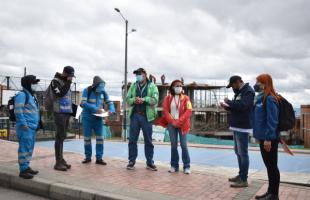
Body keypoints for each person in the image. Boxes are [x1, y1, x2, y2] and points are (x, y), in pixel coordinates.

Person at [221, 75, 255, 188]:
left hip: (243, 126)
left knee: (243, 153)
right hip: (236, 126)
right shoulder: (240, 92)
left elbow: (244, 106)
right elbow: (237, 107)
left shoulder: (248, 91)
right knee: (237, 152)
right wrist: (227, 107)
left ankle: (244, 179)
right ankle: (241, 175)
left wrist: (229, 102)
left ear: (238, 82)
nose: (232, 88)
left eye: (232, 85)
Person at [156, 80, 192, 174]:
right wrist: (172, 121)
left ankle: (186, 166)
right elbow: (165, 111)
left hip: (183, 125)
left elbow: (189, 111)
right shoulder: (168, 98)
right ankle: (174, 165)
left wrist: (179, 121)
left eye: (180, 85)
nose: (179, 87)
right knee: (173, 145)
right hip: (172, 125)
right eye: (177, 85)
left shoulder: (186, 98)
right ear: (172, 87)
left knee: (184, 145)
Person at [253, 74, 280, 200]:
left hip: (268, 138)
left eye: (259, 81)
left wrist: (268, 138)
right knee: (269, 166)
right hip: (263, 137)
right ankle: (270, 192)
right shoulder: (261, 97)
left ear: (265, 83)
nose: (257, 84)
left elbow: (272, 120)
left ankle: (273, 194)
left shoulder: (269, 99)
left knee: (272, 166)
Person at [126, 68, 159, 171]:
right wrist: (134, 100)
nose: (138, 76)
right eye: (136, 75)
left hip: (147, 117)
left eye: (139, 74)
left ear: (145, 74)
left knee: (148, 140)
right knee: (132, 140)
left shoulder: (152, 86)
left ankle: (149, 162)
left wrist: (144, 100)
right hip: (135, 116)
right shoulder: (133, 86)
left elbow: (155, 100)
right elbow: (127, 99)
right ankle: (131, 161)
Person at [80, 76, 115, 165]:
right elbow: (83, 103)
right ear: (95, 85)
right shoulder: (86, 90)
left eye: (102, 88)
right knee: (87, 138)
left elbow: (109, 102)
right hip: (87, 118)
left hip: (98, 118)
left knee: (100, 138)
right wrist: (95, 109)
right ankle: (88, 157)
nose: (101, 90)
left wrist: (111, 110)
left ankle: (99, 158)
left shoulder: (103, 92)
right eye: (99, 87)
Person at [15, 75, 41, 179]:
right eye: (34, 83)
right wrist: (23, 124)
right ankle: (23, 170)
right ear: (28, 84)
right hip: (25, 127)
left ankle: (26, 166)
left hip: (32, 127)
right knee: (24, 148)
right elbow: (18, 111)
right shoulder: (22, 95)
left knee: (29, 148)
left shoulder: (32, 96)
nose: (36, 85)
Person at [50, 66, 75, 171]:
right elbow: (60, 93)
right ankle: (58, 162)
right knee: (59, 136)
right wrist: (68, 83)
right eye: (69, 75)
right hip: (59, 112)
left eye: (72, 76)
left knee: (63, 136)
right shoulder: (55, 81)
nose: (71, 78)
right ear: (64, 73)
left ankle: (61, 159)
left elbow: (68, 98)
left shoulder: (66, 82)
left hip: (66, 112)